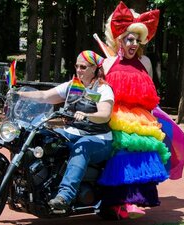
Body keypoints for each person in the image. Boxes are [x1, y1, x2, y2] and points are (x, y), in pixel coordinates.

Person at [97, 1, 170, 219]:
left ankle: (133, 199)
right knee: (121, 154)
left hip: (140, 117)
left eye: (137, 41)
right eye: (129, 39)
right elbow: (100, 91)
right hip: (116, 116)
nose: (133, 44)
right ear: (119, 39)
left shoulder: (145, 62)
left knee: (143, 154)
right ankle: (117, 201)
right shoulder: (108, 63)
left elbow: (150, 93)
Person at [16, 50, 114, 210]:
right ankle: (32, 184)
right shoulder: (73, 85)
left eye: (83, 67)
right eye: (77, 66)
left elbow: (105, 114)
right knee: (42, 137)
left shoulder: (103, 89)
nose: (78, 70)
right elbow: (45, 96)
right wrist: (19, 94)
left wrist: (88, 115)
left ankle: (65, 196)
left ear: (94, 68)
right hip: (71, 131)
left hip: (99, 138)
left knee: (82, 147)